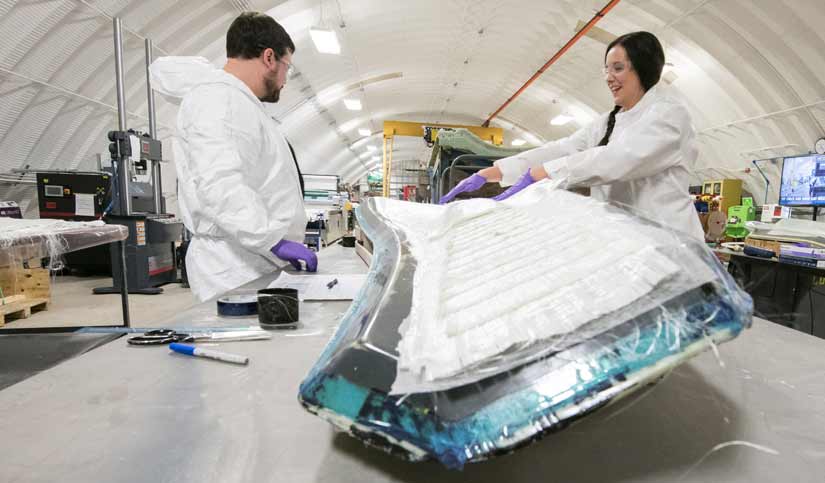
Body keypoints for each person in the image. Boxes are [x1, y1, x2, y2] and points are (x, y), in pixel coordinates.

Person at [440, 31, 704, 240]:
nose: (608, 77)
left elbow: (617, 160)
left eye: (618, 68)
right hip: (629, 243)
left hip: (673, 245)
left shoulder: (669, 115)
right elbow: (564, 148)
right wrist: (493, 172)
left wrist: (540, 174)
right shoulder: (608, 121)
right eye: (606, 69)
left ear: (643, 68)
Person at [150, 12, 317, 302]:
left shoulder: (239, 103)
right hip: (233, 266)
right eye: (286, 67)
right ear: (269, 57)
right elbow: (221, 184)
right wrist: (273, 240)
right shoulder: (217, 102)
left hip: (253, 259)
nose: (285, 80)